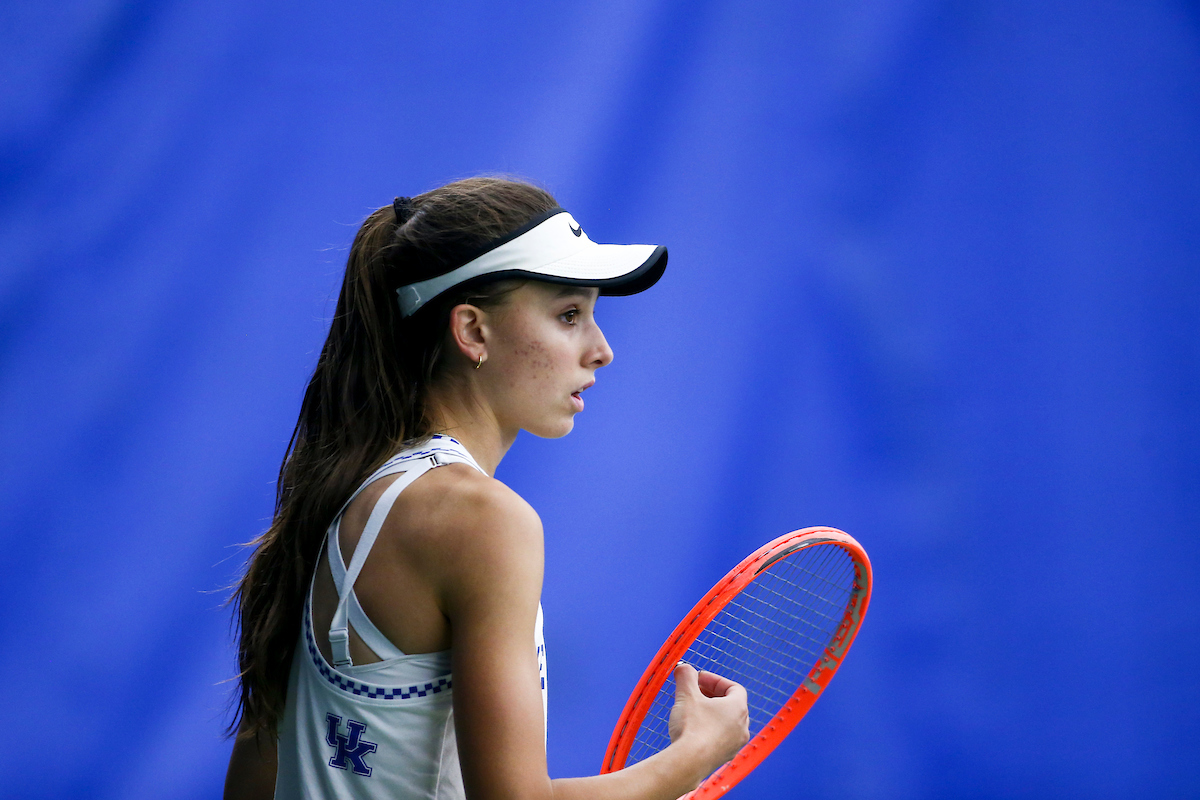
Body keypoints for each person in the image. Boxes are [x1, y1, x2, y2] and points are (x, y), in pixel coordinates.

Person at [224, 177, 749, 800]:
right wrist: (695, 754)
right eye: (568, 315)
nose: (601, 351)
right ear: (472, 331)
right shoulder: (481, 519)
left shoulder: (339, 495)